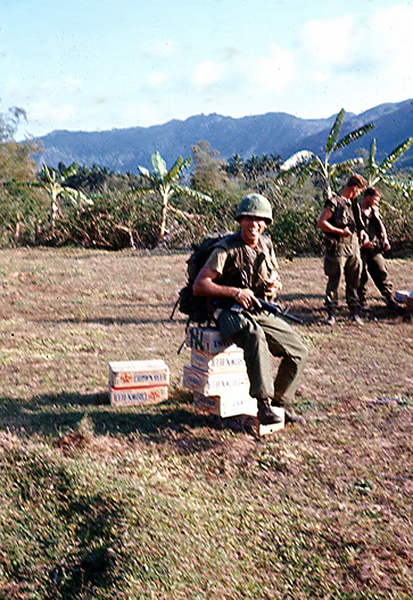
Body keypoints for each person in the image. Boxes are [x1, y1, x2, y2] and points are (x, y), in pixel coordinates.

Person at [193, 193, 308, 426]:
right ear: (240, 221)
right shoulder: (225, 249)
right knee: (255, 337)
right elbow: (200, 285)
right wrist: (235, 292)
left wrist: (274, 284)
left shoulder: (266, 244)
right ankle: (263, 405)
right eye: (248, 218)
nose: (253, 224)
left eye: (259, 219)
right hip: (226, 312)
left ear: (266, 223)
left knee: (298, 350)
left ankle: (280, 404)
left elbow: (272, 273)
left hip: (257, 309)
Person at [316, 174, 369, 325]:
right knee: (335, 279)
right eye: (359, 190)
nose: (359, 194)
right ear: (353, 187)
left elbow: (359, 226)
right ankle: (331, 312)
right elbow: (321, 223)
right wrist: (340, 232)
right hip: (338, 246)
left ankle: (354, 311)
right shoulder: (334, 202)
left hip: (353, 246)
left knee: (354, 279)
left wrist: (363, 234)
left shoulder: (354, 203)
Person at [357, 187, 400, 312]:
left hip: (374, 248)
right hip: (360, 248)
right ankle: (362, 300)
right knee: (361, 275)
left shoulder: (374, 210)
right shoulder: (356, 210)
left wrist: (385, 240)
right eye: (375, 199)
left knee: (381, 271)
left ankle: (389, 298)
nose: (377, 202)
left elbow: (381, 226)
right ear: (368, 197)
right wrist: (363, 242)